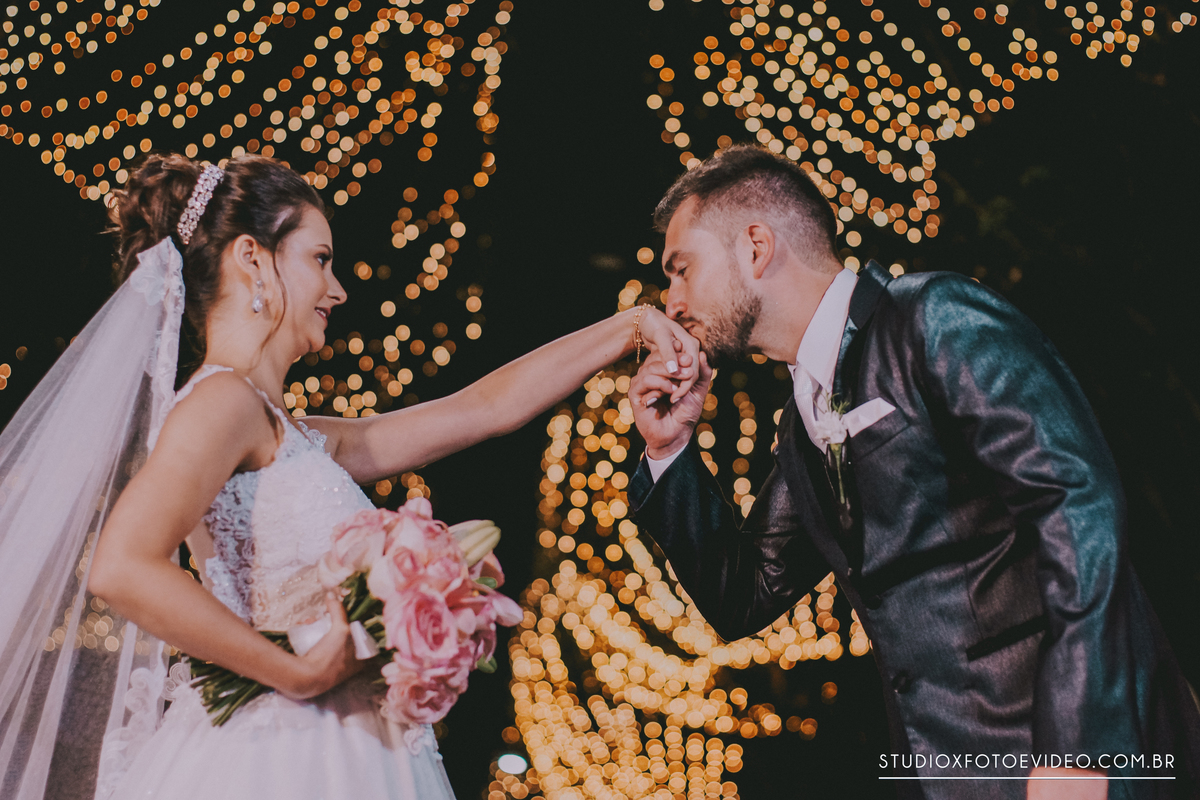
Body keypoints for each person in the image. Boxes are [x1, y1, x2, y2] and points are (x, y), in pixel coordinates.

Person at [0, 153, 699, 800]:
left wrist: (629, 327)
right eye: (320, 259)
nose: (336, 289)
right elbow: (122, 566)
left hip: (346, 749)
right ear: (252, 257)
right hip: (278, 756)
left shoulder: (295, 432)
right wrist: (296, 671)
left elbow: (484, 409)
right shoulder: (223, 402)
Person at [626, 144, 1200, 800]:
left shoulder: (933, 318)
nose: (671, 301)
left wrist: (1078, 746)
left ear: (756, 248)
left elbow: (1076, 508)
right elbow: (745, 593)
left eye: (682, 269)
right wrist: (669, 451)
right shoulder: (799, 425)